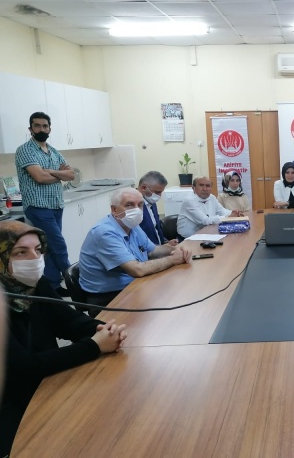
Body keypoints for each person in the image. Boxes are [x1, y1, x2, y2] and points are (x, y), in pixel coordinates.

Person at [0, 221, 127, 455]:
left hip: (47, 386)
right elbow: (22, 369)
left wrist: (103, 330)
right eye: (20, 252)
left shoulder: (33, 284)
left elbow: (68, 321)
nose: (34, 259)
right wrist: (93, 346)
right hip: (13, 405)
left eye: (38, 250)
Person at [79, 188, 192, 315]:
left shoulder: (132, 225)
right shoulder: (105, 232)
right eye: (129, 205)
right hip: (108, 298)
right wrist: (173, 259)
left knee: (177, 295)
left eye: (140, 205)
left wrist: (177, 249)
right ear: (114, 209)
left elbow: (153, 250)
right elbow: (137, 270)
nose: (136, 210)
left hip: (134, 285)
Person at [15, 112, 74, 296]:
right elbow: (39, 177)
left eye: (45, 126)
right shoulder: (25, 150)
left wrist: (50, 171)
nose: (41, 129)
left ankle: (53, 287)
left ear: (49, 129)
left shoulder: (54, 151)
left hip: (56, 205)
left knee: (48, 247)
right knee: (58, 245)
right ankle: (75, 283)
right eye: (37, 126)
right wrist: (58, 174)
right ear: (30, 129)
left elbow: (72, 175)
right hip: (38, 206)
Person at [177, 176, 244, 238]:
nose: (205, 189)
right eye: (201, 185)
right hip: (188, 239)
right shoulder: (189, 200)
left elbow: (221, 211)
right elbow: (205, 220)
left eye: (208, 186)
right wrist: (228, 217)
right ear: (193, 188)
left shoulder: (212, 197)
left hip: (206, 235)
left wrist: (234, 213)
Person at [137, 171, 178, 246]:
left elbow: (156, 228)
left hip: (159, 248)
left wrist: (165, 242)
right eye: (157, 192)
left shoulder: (151, 202)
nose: (159, 196)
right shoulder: (134, 207)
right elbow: (137, 238)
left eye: (161, 192)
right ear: (144, 188)